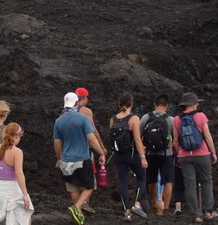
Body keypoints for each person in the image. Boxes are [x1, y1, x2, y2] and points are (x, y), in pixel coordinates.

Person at [54, 92, 106, 225]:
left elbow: (57, 143)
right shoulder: (82, 119)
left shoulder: (59, 121)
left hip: (66, 161)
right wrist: (101, 153)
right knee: (89, 187)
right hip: (82, 159)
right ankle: (76, 208)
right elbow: (91, 138)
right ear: (77, 103)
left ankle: (78, 215)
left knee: (74, 189)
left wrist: (59, 158)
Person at [173, 92, 218, 223]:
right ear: (193, 104)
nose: (198, 104)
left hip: (184, 156)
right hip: (202, 154)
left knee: (190, 185)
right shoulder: (201, 116)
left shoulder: (177, 119)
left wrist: (179, 154)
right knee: (206, 181)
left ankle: (196, 215)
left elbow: (175, 141)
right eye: (197, 102)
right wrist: (213, 153)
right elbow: (208, 137)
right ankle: (208, 212)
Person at [109, 93, 149, 221]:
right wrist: (143, 157)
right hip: (132, 155)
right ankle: (137, 204)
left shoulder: (113, 119)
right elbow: (137, 139)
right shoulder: (134, 119)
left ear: (119, 104)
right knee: (142, 177)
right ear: (131, 104)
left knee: (123, 182)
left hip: (118, 155)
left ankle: (127, 212)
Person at [0, 123, 34, 224]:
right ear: (17, 136)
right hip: (13, 190)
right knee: (23, 218)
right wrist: (24, 194)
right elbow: (19, 173)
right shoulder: (17, 152)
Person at [140, 94, 175, 216]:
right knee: (168, 180)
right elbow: (175, 138)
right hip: (166, 154)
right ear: (167, 105)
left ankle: (154, 206)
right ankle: (165, 208)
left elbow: (139, 136)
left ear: (154, 104)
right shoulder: (171, 119)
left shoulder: (145, 118)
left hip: (150, 153)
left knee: (151, 180)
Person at [73, 87, 105, 196]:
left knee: (75, 181)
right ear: (85, 98)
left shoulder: (67, 111)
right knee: (88, 178)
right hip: (85, 149)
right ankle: (84, 204)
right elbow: (93, 131)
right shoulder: (85, 111)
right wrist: (102, 147)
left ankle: (78, 205)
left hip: (72, 149)